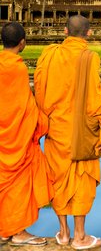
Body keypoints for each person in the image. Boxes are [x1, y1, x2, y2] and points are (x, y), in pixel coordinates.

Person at [34, 15, 101, 250]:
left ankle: (63, 232)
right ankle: (80, 236)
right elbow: (95, 99)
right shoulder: (89, 57)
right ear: (89, 34)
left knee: (58, 178)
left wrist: (46, 118)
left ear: (64, 31)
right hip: (81, 132)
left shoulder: (49, 55)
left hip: (56, 128)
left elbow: (39, 90)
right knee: (81, 178)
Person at [0, 22, 51, 246]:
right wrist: (43, 121)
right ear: (22, 43)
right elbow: (24, 106)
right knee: (20, 182)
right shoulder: (17, 68)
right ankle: (18, 231)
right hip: (17, 139)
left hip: (2, 137)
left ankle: (4, 229)